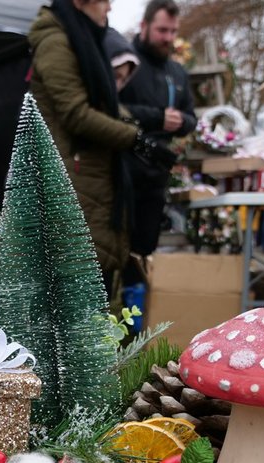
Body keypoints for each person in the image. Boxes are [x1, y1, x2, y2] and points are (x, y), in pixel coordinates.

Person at [28, 0, 173, 295]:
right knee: (82, 285)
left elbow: (104, 105)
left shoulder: (81, 38)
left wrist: (140, 131)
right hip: (73, 176)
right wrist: (136, 140)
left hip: (90, 176)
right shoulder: (57, 41)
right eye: (105, 1)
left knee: (98, 280)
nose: (109, 9)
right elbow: (76, 113)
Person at [119, 0, 196, 259]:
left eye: (173, 32)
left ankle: (137, 298)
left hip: (158, 173)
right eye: (162, 30)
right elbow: (112, 108)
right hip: (123, 167)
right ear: (144, 25)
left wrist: (180, 123)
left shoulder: (177, 72)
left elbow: (191, 118)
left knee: (145, 250)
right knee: (118, 249)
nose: (169, 38)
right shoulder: (125, 61)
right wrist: (157, 118)